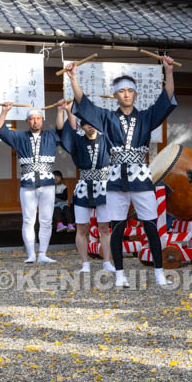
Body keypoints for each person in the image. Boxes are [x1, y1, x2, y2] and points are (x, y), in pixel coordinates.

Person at [66, 60, 177, 288]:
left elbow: (166, 99)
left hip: (141, 177)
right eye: (121, 91)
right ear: (115, 95)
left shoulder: (147, 117)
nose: (126, 95)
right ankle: (119, 274)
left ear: (135, 94)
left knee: (151, 225)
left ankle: (158, 272)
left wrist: (168, 71)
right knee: (117, 225)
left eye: (129, 91)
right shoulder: (107, 118)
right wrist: (73, 78)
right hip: (115, 179)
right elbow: (83, 104)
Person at [0, 101, 67, 264]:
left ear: (42, 120)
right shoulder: (19, 137)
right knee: (28, 219)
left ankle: (42, 253)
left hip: (47, 183)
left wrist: (60, 111)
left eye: (38, 118)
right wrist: (5, 112)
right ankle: (31, 254)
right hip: (27, 184)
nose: (35, 121)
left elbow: (61, 128)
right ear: (27, 121)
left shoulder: (50, 135)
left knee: (46, 219)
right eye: (32, 119)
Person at [58, 103, 115, 274]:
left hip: (103, 186)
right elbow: (65, 130)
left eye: (93, 123)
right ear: (83, 126)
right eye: (86, 123)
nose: (90, 126)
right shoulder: (77, 141)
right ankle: (85, 264)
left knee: (104, 227)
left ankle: (107, 262)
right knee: (82, 228)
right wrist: (67, 111)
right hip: (83, 186)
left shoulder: (106, 138)